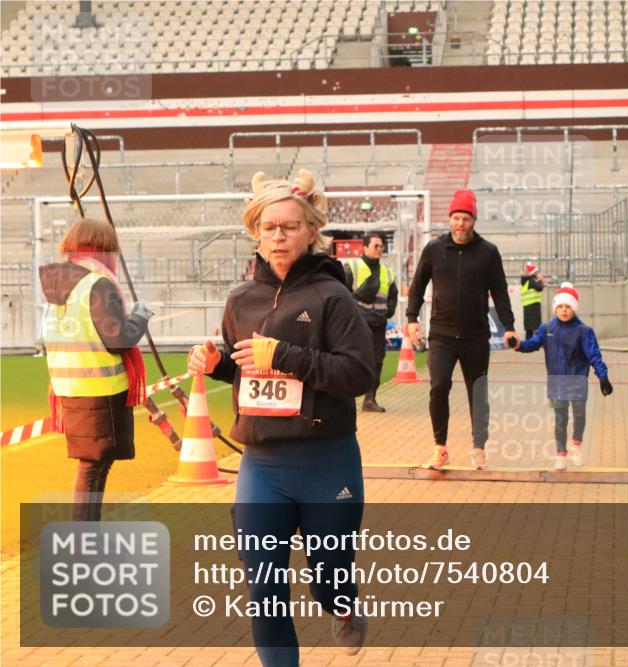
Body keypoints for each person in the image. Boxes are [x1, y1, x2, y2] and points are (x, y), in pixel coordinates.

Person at [187, 169, 376, 664]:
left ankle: (344, 608)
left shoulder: (333, 298)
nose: (278, 236)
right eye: (269, 227)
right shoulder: (239, 300)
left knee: (329, 582)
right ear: (256, 231)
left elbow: (360, 373)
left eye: (289, 226)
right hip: (262, 467)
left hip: (326, 463)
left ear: (311, 231)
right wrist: (219, 365)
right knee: (265, 590)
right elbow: (251, 375)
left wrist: (283, 355)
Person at [40, 217, 152, 522]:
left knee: (94, 465)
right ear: (103, 249)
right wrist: (141, 316)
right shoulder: (96, 283)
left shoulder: (61, 288)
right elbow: (119, 338)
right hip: (101, 390)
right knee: (93, 467)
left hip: (70, 388)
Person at [405, 189, 517, 470]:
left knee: (477, 393)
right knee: (439, 386)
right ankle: (440, 447)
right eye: (456, 218)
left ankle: (479, 448)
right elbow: (418, 285)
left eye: (466, 218)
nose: (460, 224)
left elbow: (500, 291)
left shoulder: (488, 252)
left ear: (474, 220)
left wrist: (509, 326)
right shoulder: (434, 249)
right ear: (450, 219)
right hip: (441, 334)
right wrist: (412, 318)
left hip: (475, 336)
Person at [515, 283, 613, 470]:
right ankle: (561, 454)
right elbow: (532, 344)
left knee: (579, 415)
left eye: (568, 306)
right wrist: (518, 344)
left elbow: (594, 354)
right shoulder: (547, 329)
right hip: (557, 382)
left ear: (574, 308)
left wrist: (603, 376)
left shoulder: (584, 331)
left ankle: (576, 444)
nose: (564, 310)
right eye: (560, 306)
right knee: (561, 419)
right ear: (555, 308)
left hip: (577, 381)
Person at [342, 233, 398, 413]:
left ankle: (370, 400)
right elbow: (341, 292)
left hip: (378, 324)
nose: (380, 249)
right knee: (351, 359)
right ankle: (345, 400)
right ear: (364, 248)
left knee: (377, 361)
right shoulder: (352, 267)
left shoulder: (388, 272)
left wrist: (389, 310)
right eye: (376, 246)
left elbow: (393, 294)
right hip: (357, 324)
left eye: (381, 246)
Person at [519, 262, 545, 339]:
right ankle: (536, 341)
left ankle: (528, 341)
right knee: (535, 326)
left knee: (529, 327)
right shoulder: (531, 281)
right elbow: (540, 288)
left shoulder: (525, 281)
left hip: (527, 306)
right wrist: (540, 280)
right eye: (536, 272)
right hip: (533, 306)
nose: (538, 274)